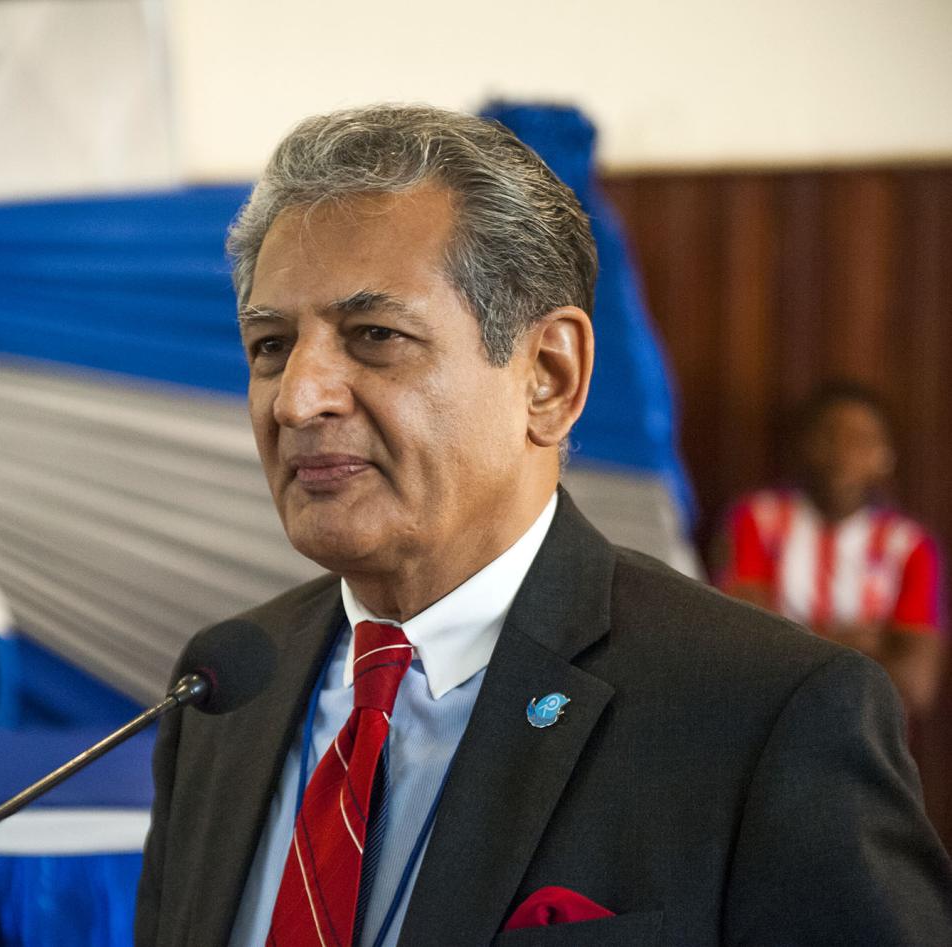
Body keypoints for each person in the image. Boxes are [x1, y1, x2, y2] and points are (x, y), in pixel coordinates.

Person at [136, 105, 952, 946]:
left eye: (375, 335)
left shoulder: (766, 712)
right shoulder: (223, 689)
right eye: (271, 345)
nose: (298, 399)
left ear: (549, 378)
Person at [718, 382, 945, 721]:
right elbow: (742, 647)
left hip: (862, 730)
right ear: (803, 445)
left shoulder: (911, 545)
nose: (843, 454)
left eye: (860, 441)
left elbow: (917, 685)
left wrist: (797, 637)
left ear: (885, 457)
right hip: (764, 719)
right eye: (828, 437)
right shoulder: (756, 520)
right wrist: (855, 643)